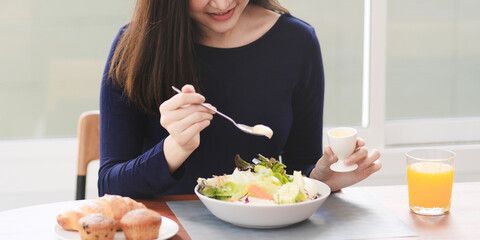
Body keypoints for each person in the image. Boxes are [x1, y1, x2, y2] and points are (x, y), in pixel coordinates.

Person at [98, 0, 382, 198]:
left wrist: (319, 181)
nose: (222, 4)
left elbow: (299, 169)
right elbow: (109, 187)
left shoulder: (296, 42)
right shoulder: (136, 48)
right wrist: (175, 147)